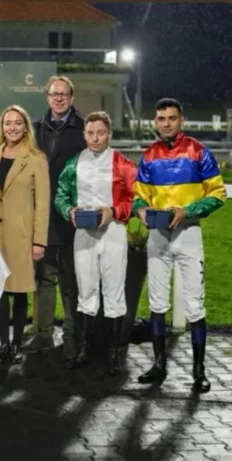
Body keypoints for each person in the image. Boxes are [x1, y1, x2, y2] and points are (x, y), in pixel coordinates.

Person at [133, 98, 226, 393]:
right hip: (158, 235)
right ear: (155, 122)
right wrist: (140, 210)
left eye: (172, 118)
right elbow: (138, 196)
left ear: (181, 120)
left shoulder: (198, 151)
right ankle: (159, 365)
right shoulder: (148, 155)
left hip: (188, 234)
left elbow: (218, 194)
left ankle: (199, 371)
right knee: (157, 303)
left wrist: (188, 211)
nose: (166, 123)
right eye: (161, 119)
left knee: (195, 304)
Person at [54, 111, 136, 375]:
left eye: (101, 133)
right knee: (86, 291)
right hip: (84, 233)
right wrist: (69, 211)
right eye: (90, 133)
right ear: (84, 134)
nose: (96, 138)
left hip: (113, 231)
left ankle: (114, 355)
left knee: (114, 290)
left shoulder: (121, 162)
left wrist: (114, 211)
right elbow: (60, 195)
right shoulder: (74, 162)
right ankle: (84, 350)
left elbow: (139, 197)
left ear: (109, 133)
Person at [0, 105, 50, 365]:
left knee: (19, 291)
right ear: (1, 127)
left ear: (25, 127)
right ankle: (4, 343)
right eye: (8, 123)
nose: (12, 128)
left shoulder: (36, 159)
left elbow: (42, 203)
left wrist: (39, 241)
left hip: (21, 236)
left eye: (18, 123)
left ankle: (17, 344)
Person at [24, 75, 86, 370]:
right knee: (43, 280)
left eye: (64, 94)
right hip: (41, 216)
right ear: (46, 97)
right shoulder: (35, 129)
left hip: (71, 216)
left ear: (71, 98)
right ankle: (43, 334)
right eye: (54, 94)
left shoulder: (84, 128)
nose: (59, 98)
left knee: (70, 283)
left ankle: (72, 339)